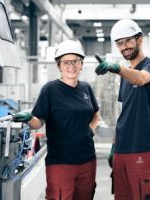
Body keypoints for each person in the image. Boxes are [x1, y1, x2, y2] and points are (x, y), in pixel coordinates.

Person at [13, 40, 100, 200]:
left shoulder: (86, 88)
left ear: (81, 64)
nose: (71, 66)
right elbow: (39, 121)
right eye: (66, 62)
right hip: (60, 161)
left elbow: (96, 114)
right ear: (59, 66)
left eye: (75, 61)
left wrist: (91, 129)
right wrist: (29, 119)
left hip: (87, 159)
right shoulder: (50, 90)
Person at [95, 19, 150, 200]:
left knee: (143, 195)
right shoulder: (125, 76)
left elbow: (141, 79)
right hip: (121, 151)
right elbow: (124, 114)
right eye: (119, 43)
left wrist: (117, 68)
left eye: (127, 41)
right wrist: (114, 146)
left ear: (139, 39)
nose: (123, 47)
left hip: (141, 148)